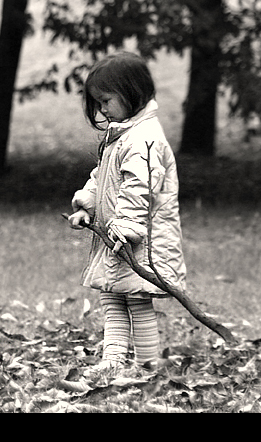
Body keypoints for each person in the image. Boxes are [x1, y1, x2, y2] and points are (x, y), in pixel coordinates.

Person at [67, 51, 186, 374]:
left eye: (106, 101)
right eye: (98, 103)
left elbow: (140, 186)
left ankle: (147, 365)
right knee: (111, 296)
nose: (102, 109)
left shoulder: (144, 139)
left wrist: (128, 226)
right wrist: (86, 206)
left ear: (131, 92)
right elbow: (101, 176)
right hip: (115, 236)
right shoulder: (120, 135)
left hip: (139, 240)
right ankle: (113, 362)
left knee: (135, 299)